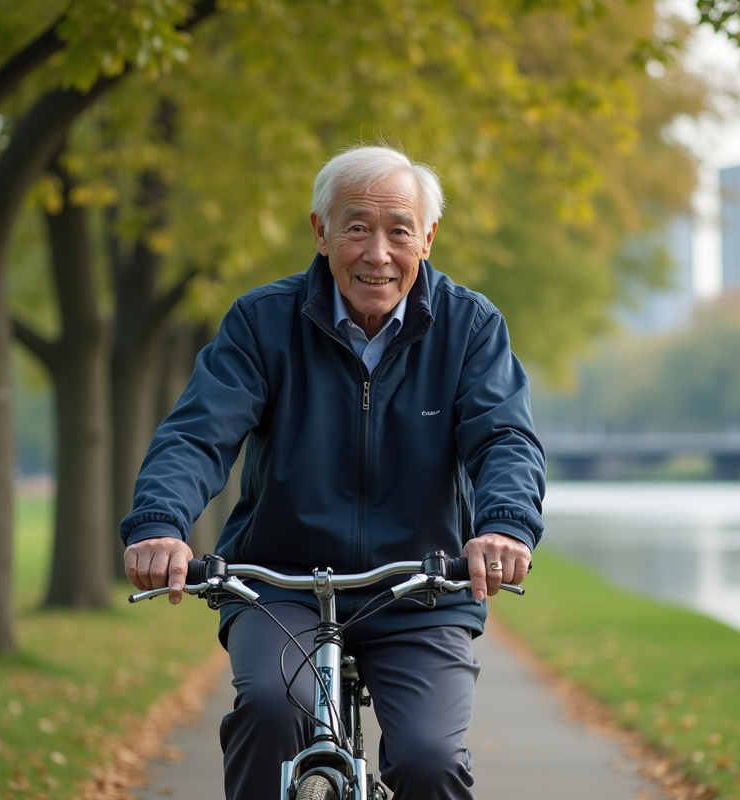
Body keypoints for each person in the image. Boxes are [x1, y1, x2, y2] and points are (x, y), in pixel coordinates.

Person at [119, 145, 546, 800]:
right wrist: (158, 524)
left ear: (426, 239)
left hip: (420, 590)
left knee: (430, 759)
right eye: (357, 228)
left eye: (398, 230)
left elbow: (504, 439)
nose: (378, 252)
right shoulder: (261, 323)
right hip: (280, 586)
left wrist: (505, 527)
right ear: (321, 232)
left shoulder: (471, 327)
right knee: (269, 711)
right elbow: (198, 434)